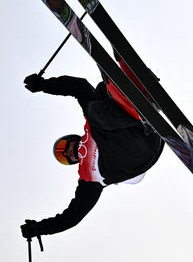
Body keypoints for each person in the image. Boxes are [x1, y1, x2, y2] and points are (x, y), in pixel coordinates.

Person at [19, 63, 163, 239]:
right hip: (133, 159)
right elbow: (72, 216)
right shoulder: (88, 178)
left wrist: (44, 85)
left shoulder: (91, 125)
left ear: (72, 138)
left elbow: (78, 86)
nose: (68, 154)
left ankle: (137, 91)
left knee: (100, 93)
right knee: (95, 108)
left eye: (64, 148)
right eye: (65, 158)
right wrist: (39, 228)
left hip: (144, 135)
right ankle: (139, 111)